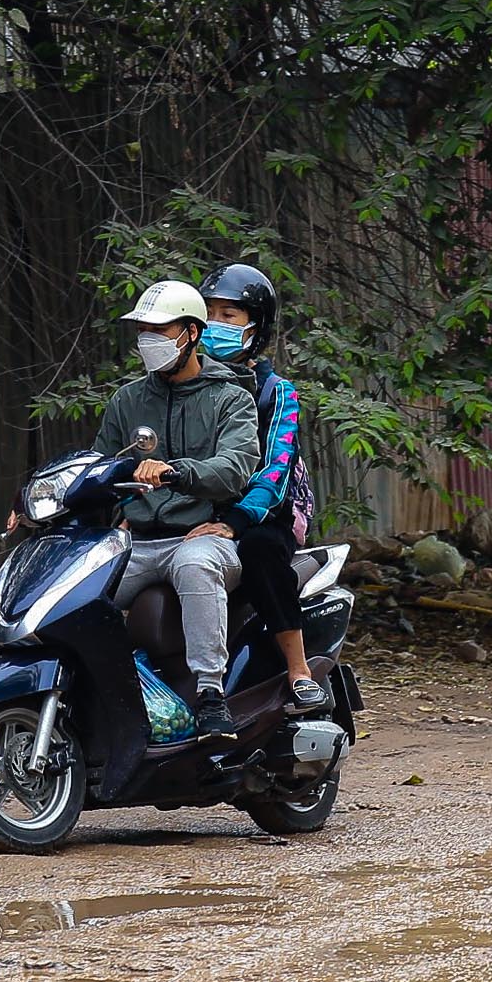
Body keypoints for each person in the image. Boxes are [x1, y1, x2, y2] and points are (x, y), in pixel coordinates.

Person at [88, 279, 261, 737]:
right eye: (143, 330)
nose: (149, 341)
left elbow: (236, 467)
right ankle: (92, 692)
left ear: (191, 334)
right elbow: (99, 465)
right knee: (83, 587)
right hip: (138, 540)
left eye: (160, 331)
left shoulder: (231, 398)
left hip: (201, 534)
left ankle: (210, 694)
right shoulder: (127, 400)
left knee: (195, 564)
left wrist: (175, 471)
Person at [194, 262, 327, 714]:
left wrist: (234, 521)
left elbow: (274, 470)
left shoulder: (276, 391)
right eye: (208, 313)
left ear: (256, 327)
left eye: (228, 316)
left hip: (269, 509)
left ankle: (298, 669)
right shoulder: (184, 386)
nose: (215, 325)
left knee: (259, 551)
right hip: (199, 513)